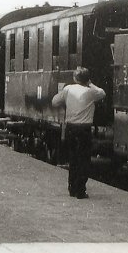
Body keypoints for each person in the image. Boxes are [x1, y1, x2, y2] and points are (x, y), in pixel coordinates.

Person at [51, 67, 106, 199]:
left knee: (73, 159)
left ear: (75, 78)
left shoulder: (68, 89)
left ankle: (72, 187)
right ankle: (80, 190)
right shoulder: (91, 92)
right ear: (87, 79)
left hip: (70, 128)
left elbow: (54, 102)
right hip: (84, 130)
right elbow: (102, 93)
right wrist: (90, 83)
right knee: (84, 160)